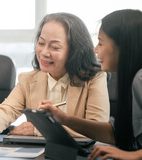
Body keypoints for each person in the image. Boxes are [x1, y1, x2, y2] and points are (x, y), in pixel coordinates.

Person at [0, 12, 110, 141]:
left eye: (55, 47)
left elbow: (97, 129)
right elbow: (6, 110)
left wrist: (39, 130)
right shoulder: (28, 79)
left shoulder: (94, 79)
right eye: (41, 43)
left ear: (75, 51)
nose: (44, 52)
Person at [39, 9, 142, 160]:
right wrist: (64, 119)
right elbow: (115, 133)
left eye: (100, 43)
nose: (95, 49)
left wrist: (133, 156)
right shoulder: (132, 79)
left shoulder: (140, 78)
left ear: (123, 46)